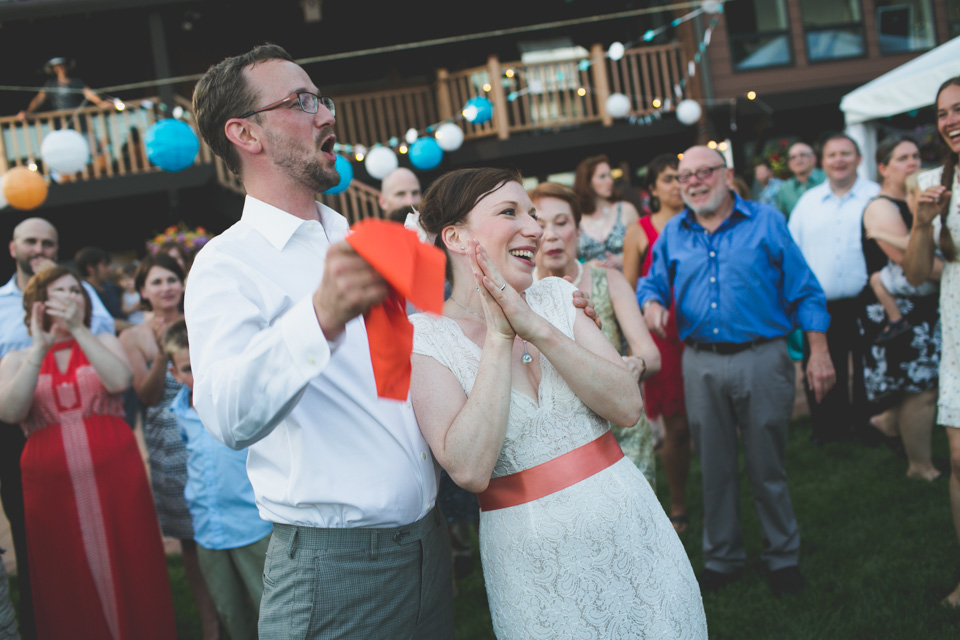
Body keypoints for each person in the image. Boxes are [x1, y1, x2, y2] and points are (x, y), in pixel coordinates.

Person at [186, 44, 453, 638]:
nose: (326, 114)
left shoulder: (364, 239)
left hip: (430, 550)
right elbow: (228, 416)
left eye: (321, 99)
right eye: (301, 102)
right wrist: (321, 316)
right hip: (334, 572)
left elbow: (410, 374)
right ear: (245, 134)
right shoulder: (226, 265)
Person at [409, 167, 706, 638]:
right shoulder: (427, 339)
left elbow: (627, 407)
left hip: (632, 525)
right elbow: (469, 470)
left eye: (534, 214)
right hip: (534, 557)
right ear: (457, 237)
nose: (535, 228)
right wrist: (499, 337)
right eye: (511, 212)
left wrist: (538, 328)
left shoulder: (559, 296)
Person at [638, 145, 835, 596]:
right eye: (684, 176)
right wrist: (650, 300)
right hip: (700, 360)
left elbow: (805, 290)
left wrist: (819, 350)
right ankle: (723, 559)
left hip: (761, 356)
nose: (694, 183)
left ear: (727, 176)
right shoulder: (673, 232)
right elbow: (651, 280)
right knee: (715, 464)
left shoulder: (766, 221)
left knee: (767, 464)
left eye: (704, 172)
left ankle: (782, 557)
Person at [0, 266, 175, 639]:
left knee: (130, 558)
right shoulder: (16, 359)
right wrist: (40, 348)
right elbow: (11, 412)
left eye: (76, 291)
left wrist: (79, 330)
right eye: (60, 292)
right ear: (38, 305)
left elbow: (119, 381)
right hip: (49, 486)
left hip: (115, 473)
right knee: (63, 569)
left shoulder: (104, 341)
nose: (71, 298)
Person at [0, 217, 115, 639]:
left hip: (83, 417)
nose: (39, 249)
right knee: (34, 531)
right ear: (13, 248)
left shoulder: (81, 297)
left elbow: (103, 341)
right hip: (19, 427)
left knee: (95, 522)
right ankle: (44, 623)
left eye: (48, 243)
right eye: (30, 241)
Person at [530, 181, 662, 487]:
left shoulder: (609, 280)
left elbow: (651, 355)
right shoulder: (520, 295)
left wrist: (635, 365)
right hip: (558, 440)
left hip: (621, 431)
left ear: (577, 230)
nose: (550, 235)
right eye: (539, 225)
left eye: (561, 223)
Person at [118, 253, 219, 640]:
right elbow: (145, 395)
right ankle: (209, 619)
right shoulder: (132, 337)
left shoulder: (203, 318)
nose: (167, 288)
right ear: (142, 291)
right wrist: (161, 351)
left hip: (210, 428)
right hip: (168, 442)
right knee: (190, 536)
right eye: (157, 282)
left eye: (173, 279)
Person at [163, 321, 272, 640]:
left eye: (201, 364)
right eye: (187, 369)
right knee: (230, 612)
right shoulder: (179, 413)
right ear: (174, 374)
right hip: (209, 530)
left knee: (268, 606)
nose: (197, 375)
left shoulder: (239, 408)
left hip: (252, 526)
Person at [903, 75, 960, 607]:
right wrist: (923, 224)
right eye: (943, 113)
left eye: (958, 108)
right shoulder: (937, 184)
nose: (950, 120)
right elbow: (918, 275)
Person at [789, 133, 880, 445]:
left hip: (871, 299)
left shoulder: (875, 196)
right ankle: (828, 430)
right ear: (822, 162)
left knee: (872, 364)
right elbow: (792, 253)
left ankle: (873, 425)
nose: (839, 160)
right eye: (832, 155)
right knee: (823, 365)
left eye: (846, 153)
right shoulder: (807, 203)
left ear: (858, 159)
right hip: (821, 305)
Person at [858, 136, 940, 482]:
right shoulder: (882, 206)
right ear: (883, 167)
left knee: (919, 385)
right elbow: (911, 265)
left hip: (921, 305)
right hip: (897, 308)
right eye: (903, 157)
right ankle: (920, 467)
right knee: (920, 390)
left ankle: (887, 422)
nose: (912, 163)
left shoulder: (915, 199)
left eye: (916, 156)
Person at [623, 153, 693, 532]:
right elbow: (629, 290)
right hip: (661, 337)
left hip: (698, 330)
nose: (678, 185)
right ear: (651, 189)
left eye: (681, 178)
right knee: (676, 426)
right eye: (669, 179)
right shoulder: (641, 230)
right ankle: (679, 501)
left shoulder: (698, 223)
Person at [573, 154, 640, 268]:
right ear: (587, 182)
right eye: (602, 176)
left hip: (627, 282)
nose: (610, 181)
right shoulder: (576, 218)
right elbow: (569, 260)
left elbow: (644, 248)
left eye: (610, 175)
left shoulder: (625, 209)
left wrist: (623, 260)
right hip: (592, 283)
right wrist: (586, 266)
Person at [17, 57, 113, 121]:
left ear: (66, 67)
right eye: (57, 66)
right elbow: (39, 99)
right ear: (54, 69)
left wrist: (100, 103)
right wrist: (28, 112)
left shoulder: (76, 82)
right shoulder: (50, 84)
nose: (61, 68)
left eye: (62, 65)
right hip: (60, 121)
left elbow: (89, 94)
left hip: (78, 120)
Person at [75, 246, 131, 331]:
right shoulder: (83, 293)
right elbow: (106, 323)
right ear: (90, 268)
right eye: (105, 265)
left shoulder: (113, 287)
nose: (109, 269)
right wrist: (139, 327)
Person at [775, 141, 826, 217]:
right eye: (793, 157)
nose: (798, 159)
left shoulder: (828, 178)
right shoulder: (785, 189)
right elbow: (781, 219)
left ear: (814, 159)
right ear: (789, 164)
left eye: (803, 155)